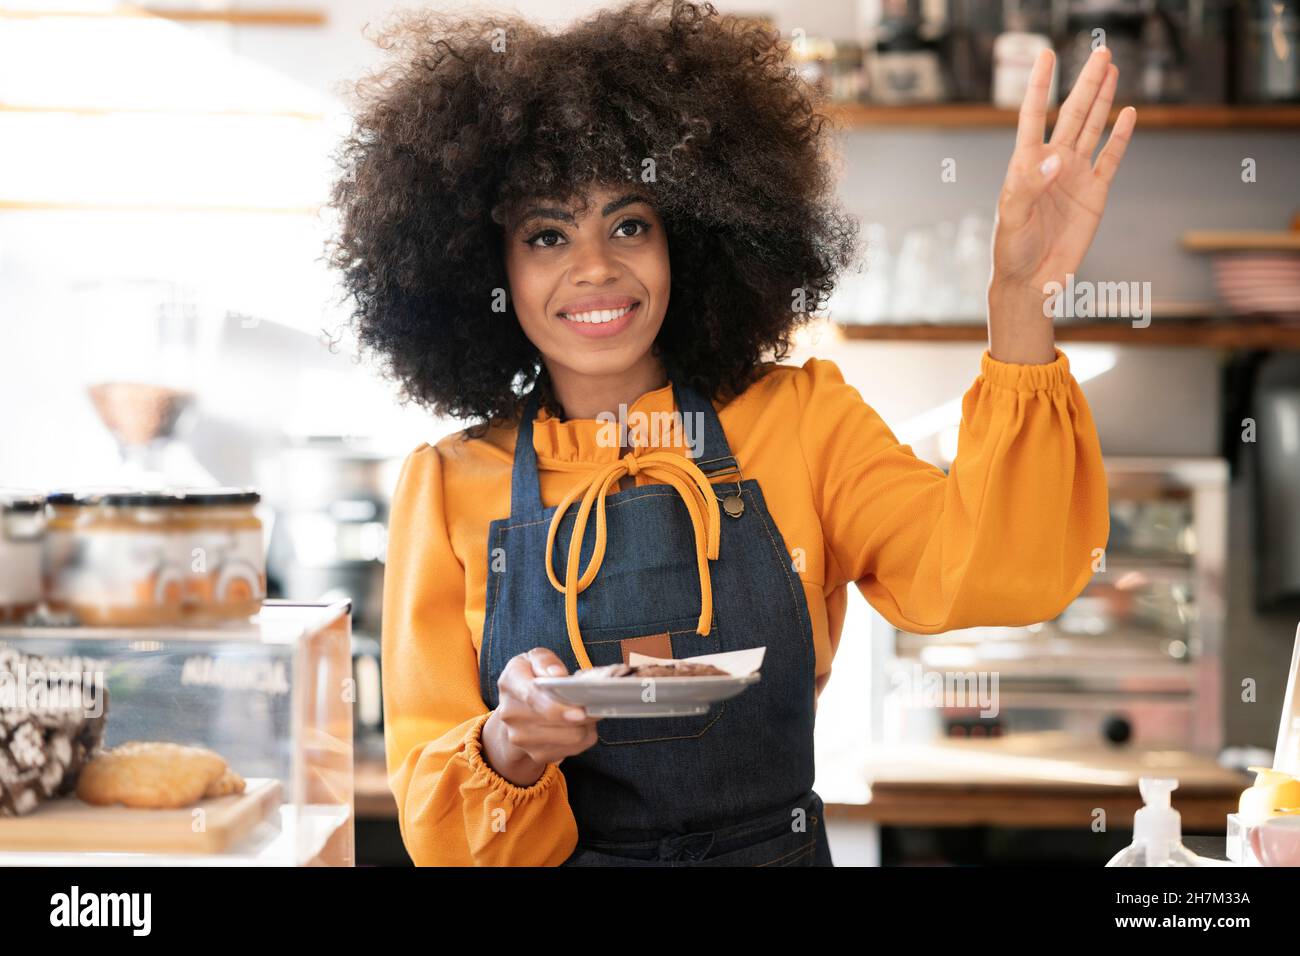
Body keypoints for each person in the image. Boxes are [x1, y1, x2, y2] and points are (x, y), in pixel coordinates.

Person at [328, 0, 1130, 866]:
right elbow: (442, 835)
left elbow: (996, 574)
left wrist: (1019, 296)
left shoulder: (802, 420)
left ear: (693, 237)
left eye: (629, 223)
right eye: (547, 234)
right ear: (490, 270)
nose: (595, 266)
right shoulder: (447, 487)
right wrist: (509, 749)